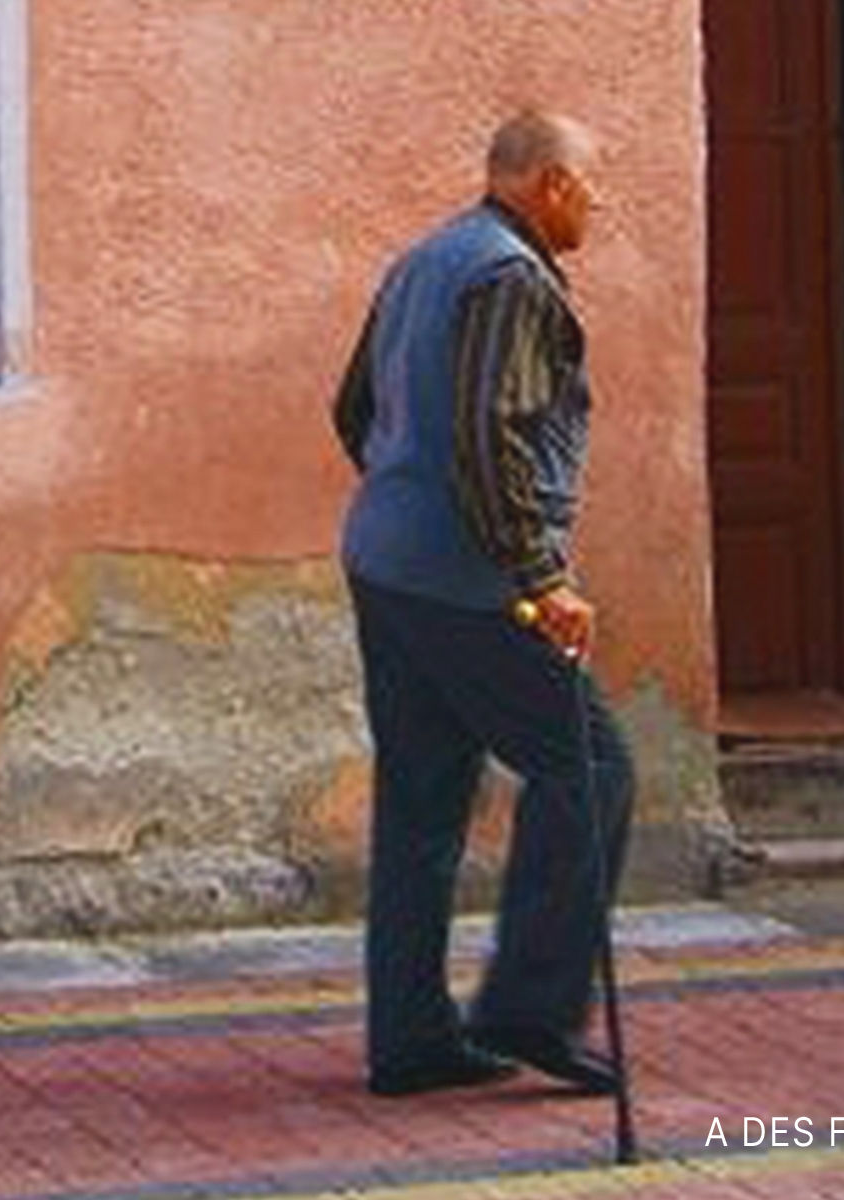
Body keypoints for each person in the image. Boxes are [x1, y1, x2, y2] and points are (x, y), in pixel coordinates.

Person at [331, 111, 635, 1099]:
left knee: (422, 799)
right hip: (470, 580)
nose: (601, 199)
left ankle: (411, 1039)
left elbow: (354, 407)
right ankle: (529, 1009)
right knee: (591, 767)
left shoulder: (426, 258)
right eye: (591, 183)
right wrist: (541, 577)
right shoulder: (508, 276)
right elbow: (488, 433)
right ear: (547, 184)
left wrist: (399, 491)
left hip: (387, 559)